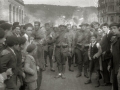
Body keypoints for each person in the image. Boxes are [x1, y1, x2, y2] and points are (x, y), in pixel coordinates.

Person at [33, 21, 45, 90]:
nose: (35, 26)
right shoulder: (33, 31)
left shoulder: (42, 31)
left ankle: (38, 87)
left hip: (39, 51)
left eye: (37, 25)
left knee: (39, 69)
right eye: (35, 25)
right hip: (34, 52)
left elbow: (43, 40)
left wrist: (38, 40)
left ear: (39, 26)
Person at [108, 23, 120, 90]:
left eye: (114, 28)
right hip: (114, 65)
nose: (112, 30)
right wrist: (110, 63)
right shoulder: (115, 39)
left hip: (118, 66)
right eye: (111, 29)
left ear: (119, 28)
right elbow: (113, 53)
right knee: (115, 83)